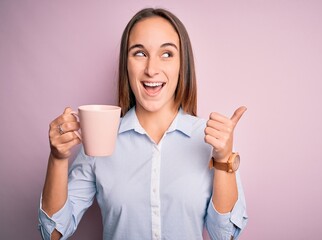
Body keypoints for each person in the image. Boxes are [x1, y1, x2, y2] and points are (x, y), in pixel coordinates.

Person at [38, 7, 248, 240]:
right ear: (126, 64)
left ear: (182, 65)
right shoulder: (101, 137)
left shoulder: (210, 140)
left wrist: (223, 161)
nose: (151, 69)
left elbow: (225, 236)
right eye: (139, 53)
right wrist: (57, 159)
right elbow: (53, 233)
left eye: (167, 54)